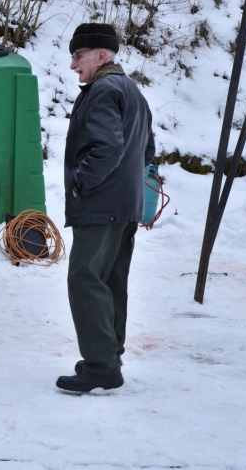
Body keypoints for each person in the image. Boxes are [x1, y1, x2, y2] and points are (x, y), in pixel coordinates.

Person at [57, 23, 155, 393]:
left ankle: (101, 366)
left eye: (78, 56)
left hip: (100, 203)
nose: (72, 65)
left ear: (101, 55)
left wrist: (82, 182)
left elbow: (107, 148)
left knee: (84, 279)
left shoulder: (102, 90)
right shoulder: (130, 89)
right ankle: (108, 355)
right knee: (111, 281)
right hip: (125, 204)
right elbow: (147, 147)